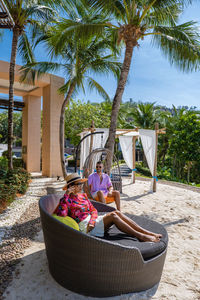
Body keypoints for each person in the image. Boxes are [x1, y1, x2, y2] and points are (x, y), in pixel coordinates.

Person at [55, 173, 162, 242]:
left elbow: (93, 210)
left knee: (117, 212)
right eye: (78, 184)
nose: (81, 186)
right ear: (71, 186)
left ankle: (147, 232)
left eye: (81, 184)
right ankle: (141, 236)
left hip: (92, 222)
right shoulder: (66, 200)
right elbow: (62, 214)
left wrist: (92, 221)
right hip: (85, 227)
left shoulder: (83, 196)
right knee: (113, 216)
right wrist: (66, 195)